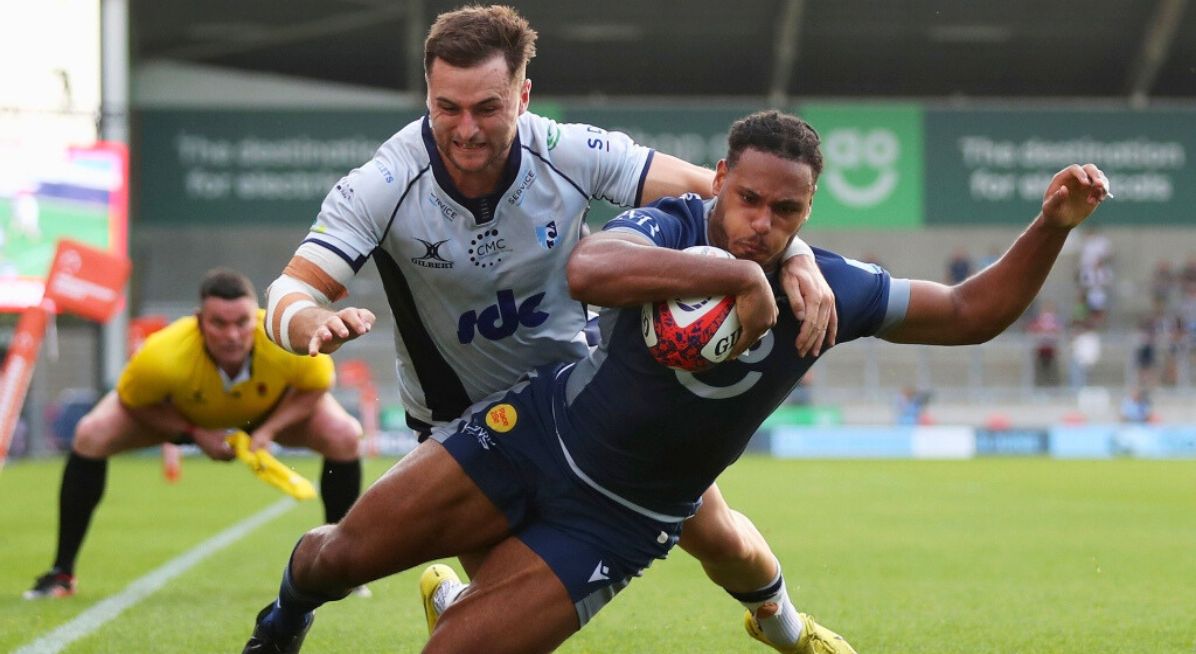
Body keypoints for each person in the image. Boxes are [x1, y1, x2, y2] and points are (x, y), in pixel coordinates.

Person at [241, 110, 1110, 654]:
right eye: (750, 201)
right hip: (529, 435)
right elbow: (590, 266)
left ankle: (778, 625)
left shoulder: (831, 289)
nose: (761, 224)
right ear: (722, 182)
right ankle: (281, 628)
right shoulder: (672, 221)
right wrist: (734, 278)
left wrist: (1050, 225)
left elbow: (966, 312)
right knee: (334, 556)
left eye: (787, 213)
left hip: (620, 521)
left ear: (809, 210)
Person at [259, 3, 838, 642]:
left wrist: (800, 254)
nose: (467, 129)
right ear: (427, 94)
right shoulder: (386, 181)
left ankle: (789, 629)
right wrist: (307, 320)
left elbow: (730, 197)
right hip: (459, 422)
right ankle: (288, 616)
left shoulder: (569, 149)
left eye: (488, 107)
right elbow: (289, 289)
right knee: (353, 561)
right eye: (446, 108)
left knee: (720, 535)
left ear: (523, 96)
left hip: (582, 404)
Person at [24, 268, 364, 599]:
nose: (232, 334)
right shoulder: (162, 354)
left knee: (345, 433)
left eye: (241, 322)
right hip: (186, 417)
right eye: (219, 323)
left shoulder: (285, 338)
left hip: (268, 412)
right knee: (91, 433)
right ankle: (62, 572)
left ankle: (338, 567)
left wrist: (270, 430)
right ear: (200, 321)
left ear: (256, 318)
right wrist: (195, 433)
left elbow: (317, 387)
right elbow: (135, 403)